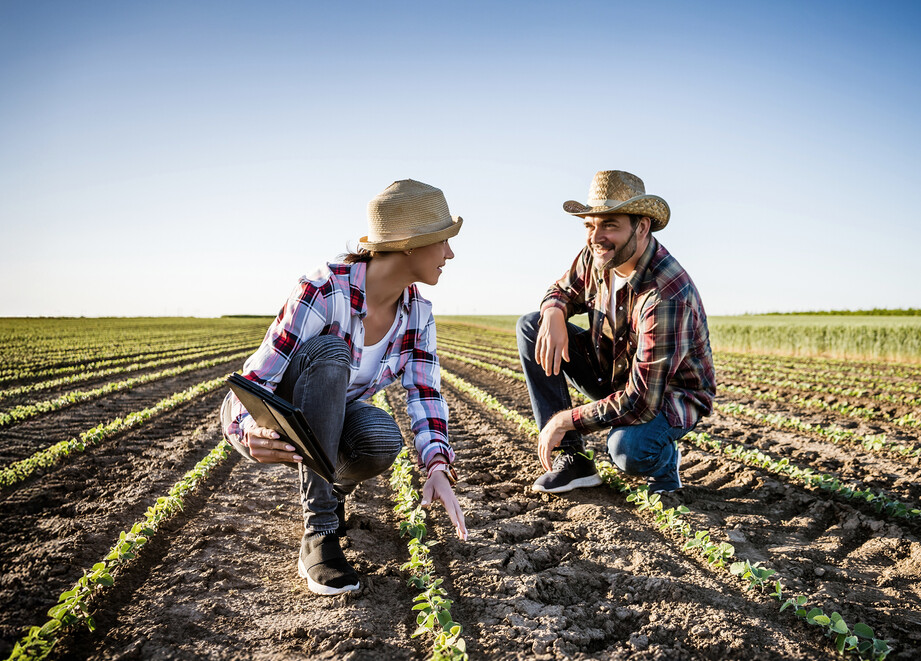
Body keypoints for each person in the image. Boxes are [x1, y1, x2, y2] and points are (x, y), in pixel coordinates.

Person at [221, 179, 467, 596]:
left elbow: (425, 393)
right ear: (409, 245)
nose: (450, 253)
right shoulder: (323, 289)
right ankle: (319, 534)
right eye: (442, 241)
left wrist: (437, 466)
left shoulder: (417, 313)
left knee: (380, 438)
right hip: (268, 417)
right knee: (332, 353)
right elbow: (255, 381)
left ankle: (330, 495)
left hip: (328, 424)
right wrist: (248, 430)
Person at [516, 170, 715, 495]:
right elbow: (562, 289)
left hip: (666, 396)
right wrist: (553, 310)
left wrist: (564, 419)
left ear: (642, 226)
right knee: (531, 326)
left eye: (609, 224)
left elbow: (640, 402)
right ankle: (574, 460)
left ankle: (664, 466)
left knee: (627, 449)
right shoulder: (597, 255)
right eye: (590, 225)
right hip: (616, 371)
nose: (596, 236)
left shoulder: (665, 295)